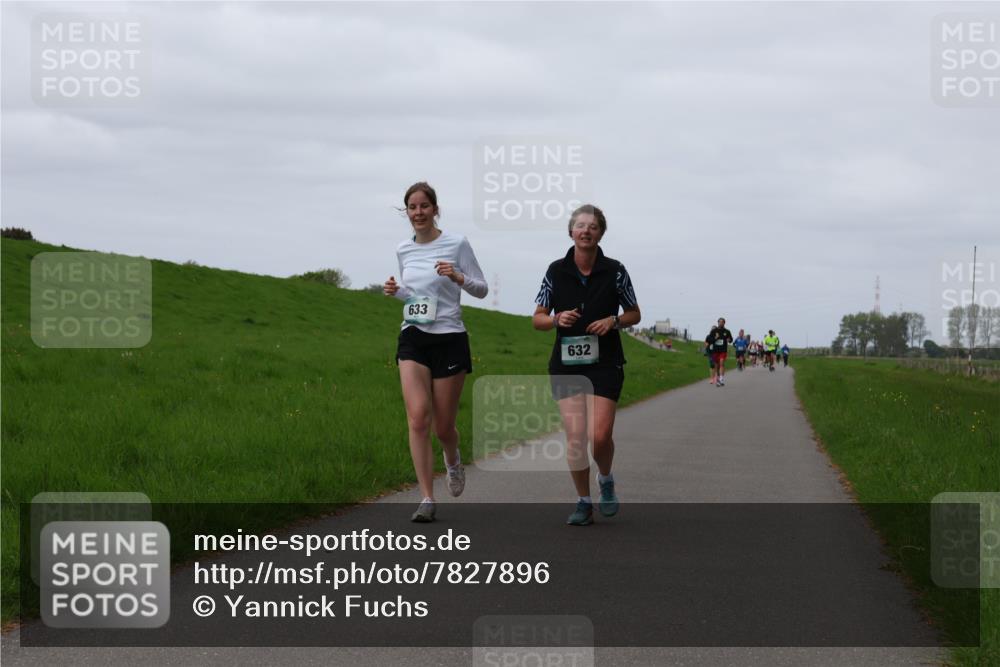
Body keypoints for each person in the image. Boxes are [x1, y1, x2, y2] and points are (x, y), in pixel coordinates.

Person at [384, 182, 488, 522]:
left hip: (450, 337)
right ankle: (427, 498)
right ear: (406, 212)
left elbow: (482, 289)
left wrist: (458, 276)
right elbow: (415, 297)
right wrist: (397, 292)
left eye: (423, 206)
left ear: (435, 209)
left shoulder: (456, 243)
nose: (418, 213)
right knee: (417, 418)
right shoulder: (403, 249)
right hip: (413, 337)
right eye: (411, 207)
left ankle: (453, 461)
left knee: (443, 427)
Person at [532, 204, 641, 526]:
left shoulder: (616, 270)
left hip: (605, 362)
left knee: (600, 435)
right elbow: (537, 319)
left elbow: (635, 313)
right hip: (566, 365)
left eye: (592, 226)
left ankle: (605, 479)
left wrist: (614, 321)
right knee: (577, 437)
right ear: (571, 232)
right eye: (580, 225)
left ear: (600, 233)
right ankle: (583, 502)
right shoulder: (556, 270)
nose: (586, 230)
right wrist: (554, 320)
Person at [705, 318, 734, 386]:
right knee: (716, 366)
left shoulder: (727, 331)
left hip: (723, 350)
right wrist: (715, 338)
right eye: (720, 322)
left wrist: (729, 340)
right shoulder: (714, 331)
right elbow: (709, 340)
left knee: (721, 363)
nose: (721, 323)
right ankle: (717, 378)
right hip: (715, 351)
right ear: (718, 323)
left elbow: (731, 339)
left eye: (722, 322)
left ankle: (721, 378)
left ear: (724, 323)